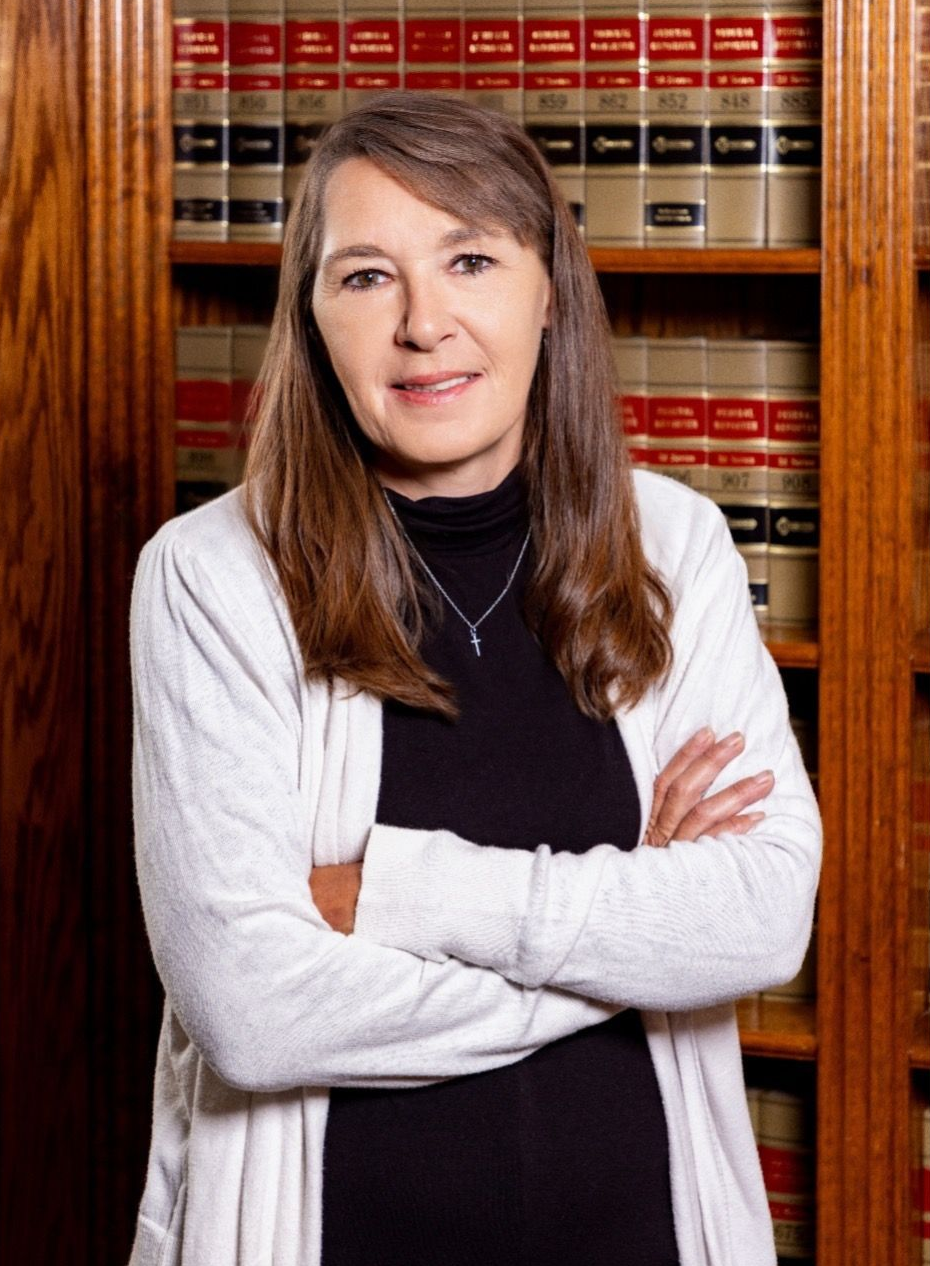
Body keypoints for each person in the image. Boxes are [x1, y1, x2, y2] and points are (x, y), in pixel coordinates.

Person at [128, 93, 821, 1266]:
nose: (423, 323)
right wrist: (626, 945)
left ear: (550, 291)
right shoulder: (212, 581)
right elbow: (252, 1011)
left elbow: (759, 920)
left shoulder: (678, 546)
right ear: (310, 320)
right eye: (365, 277)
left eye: (469, 258)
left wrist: (402, 891)